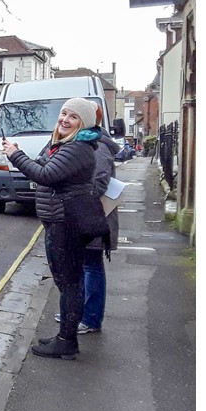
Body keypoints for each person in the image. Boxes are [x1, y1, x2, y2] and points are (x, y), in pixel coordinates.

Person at [1, 97, 102, 359]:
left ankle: (67, 342)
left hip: (66, 221)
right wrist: (23, 155)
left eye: (73, 117)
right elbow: (41, 165)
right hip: (58, 219)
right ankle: (64, 337)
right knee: (65, 280)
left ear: (84, 123)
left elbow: (45, 175)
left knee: (69, 282)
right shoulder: (61, 144)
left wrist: (15, 155)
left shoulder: (77, 148)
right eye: (64, 113)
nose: (65, 120)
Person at [54, 116, 120, 335]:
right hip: (87, 213)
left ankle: (90, 318)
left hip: (92, 215)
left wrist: (75, 195)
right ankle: (77, 312)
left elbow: (99, 182)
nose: (66, 120)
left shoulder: (98, 147)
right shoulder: (83, 143)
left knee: (91, 265)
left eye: (75, 116)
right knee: (82, 265)